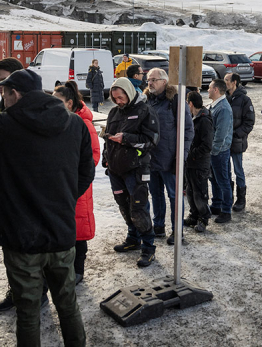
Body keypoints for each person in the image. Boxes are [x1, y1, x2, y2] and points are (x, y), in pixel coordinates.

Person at [0, 45, 92, 346]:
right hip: (62, 235)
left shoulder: (6, 126)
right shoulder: (74, 123)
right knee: (68, 306)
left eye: (4, 93)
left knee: (27, 312)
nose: (3, 99)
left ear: (15, 94)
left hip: (21, 238)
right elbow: (86, 173)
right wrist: (63, 199)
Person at [103, 78, 159, 268]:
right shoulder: (113, 112)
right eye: (115, 98)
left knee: (139, 208)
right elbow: (108, 138)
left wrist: (126, 138)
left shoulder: (144, 110)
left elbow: (152, 140)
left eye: (121, 97)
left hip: (136, 169)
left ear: (129, 92)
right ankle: (133, 238)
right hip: (115, 169)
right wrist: (106, 158)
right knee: (124, 206)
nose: (118, 101)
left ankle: (148, 247)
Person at [0, 57, 26, 313]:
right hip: (3, 187)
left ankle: (34, 291)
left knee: (27, 244)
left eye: (4, 81)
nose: (0, 86)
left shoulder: (34, 110)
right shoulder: (1, 106)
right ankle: (17, 289)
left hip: (24, 189)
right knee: (9, 242)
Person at [53, 81, 101, 285]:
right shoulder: (58, 121)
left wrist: (71, 173)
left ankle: (78, 269)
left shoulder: (84, 124)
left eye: (58, 102)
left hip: (78, 183)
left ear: (70, 103)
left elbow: (94, 156)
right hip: (61, 183)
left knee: (78, 227)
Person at [145, 68, 194, 242]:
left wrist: (181, 156)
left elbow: (188, 130)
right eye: (148, 79)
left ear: (164, 82)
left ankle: (177, 231)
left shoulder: (175, 101)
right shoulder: (147, 101)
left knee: (174, 196)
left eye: (154, 80)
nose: (150, 83)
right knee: (156, 194)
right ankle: (158, 226)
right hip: (150, 159)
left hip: (170, 159)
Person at [224, 73, 255, 212]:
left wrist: (236, 134)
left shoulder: (244, 100)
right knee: (226, 171)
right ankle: (228, 198)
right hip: (224, 142)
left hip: (236, 141)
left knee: (238, 170)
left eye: (226, 80)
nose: (224, 83)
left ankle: (241, 199)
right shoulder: (224, 97)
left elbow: (249, 122)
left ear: (234, 82)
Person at [185, 91, 214, 233]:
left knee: (200, 192)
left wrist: (191, 154)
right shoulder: (193, 117)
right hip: (190, 162)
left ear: (190, 103)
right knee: (190, 191)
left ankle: (204, 218)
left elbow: (207, 145)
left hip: (199, 163)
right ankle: (194, 216)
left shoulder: (204, 120)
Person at [208, 79, 234, 221]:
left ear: (216, 90)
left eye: (210, 88)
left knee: (223, 180)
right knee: (214, 179)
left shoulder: (223, 108)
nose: (208, 90)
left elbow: (221, 134)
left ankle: (226, 210)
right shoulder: (216, 105)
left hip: (219, 151)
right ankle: (216, 204)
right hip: (215, 150)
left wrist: (214, 150)